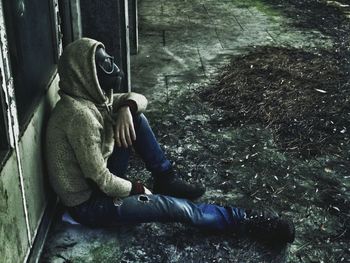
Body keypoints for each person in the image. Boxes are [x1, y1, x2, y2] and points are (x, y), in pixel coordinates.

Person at [46, 38, 295, 245]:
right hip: (91, 204)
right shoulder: (78, 115)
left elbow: (139, 98)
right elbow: (101, 180)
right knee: (172, 208)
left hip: (100, 179)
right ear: (86, 73)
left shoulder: (90, 98)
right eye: (105, 63)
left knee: (134, 117)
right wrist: (136, 189)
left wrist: (126, 108)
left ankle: (166, 178)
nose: (113, 64)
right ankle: (246, 221)